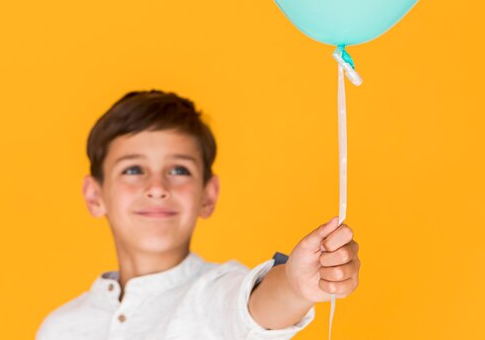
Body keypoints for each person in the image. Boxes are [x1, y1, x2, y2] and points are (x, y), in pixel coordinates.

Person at [36, 89, 360, 339]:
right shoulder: (61, 328)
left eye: (178, 170)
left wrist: (294, 285)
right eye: (133, 169)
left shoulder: (213, 295)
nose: (157, 187)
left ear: (208, 195)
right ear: (95, 195)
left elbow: (253, 307)